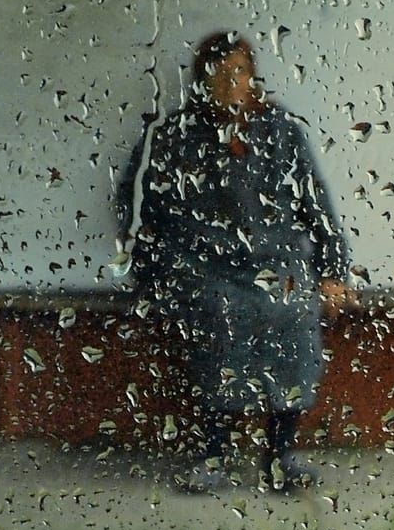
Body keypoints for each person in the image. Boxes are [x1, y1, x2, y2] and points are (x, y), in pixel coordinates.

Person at [116, 30, 357, 493]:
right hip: (207, 269)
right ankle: (215, 455)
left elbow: (317, 207)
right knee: (217, 320)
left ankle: (279, 456)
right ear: (201, 81)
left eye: (239, 72)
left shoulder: (282, 132)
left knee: (293, 315)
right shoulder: (175, 136)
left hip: (279, 267)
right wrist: (157, 268)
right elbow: (139, 205)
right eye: (219, 74)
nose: (230, 83)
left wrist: (332, 272)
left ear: (252, 78)